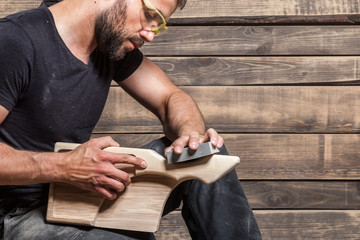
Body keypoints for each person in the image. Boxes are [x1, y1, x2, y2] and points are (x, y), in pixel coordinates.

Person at [0, 0, 262, 239]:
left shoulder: (107, 45)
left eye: (158, 26)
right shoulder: (15, 40)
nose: (149, 33)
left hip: (77, 196)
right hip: (16, 216)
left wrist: (190, 134)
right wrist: (64, 167)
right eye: (150, 16)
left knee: (206, 155)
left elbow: (170, 97)